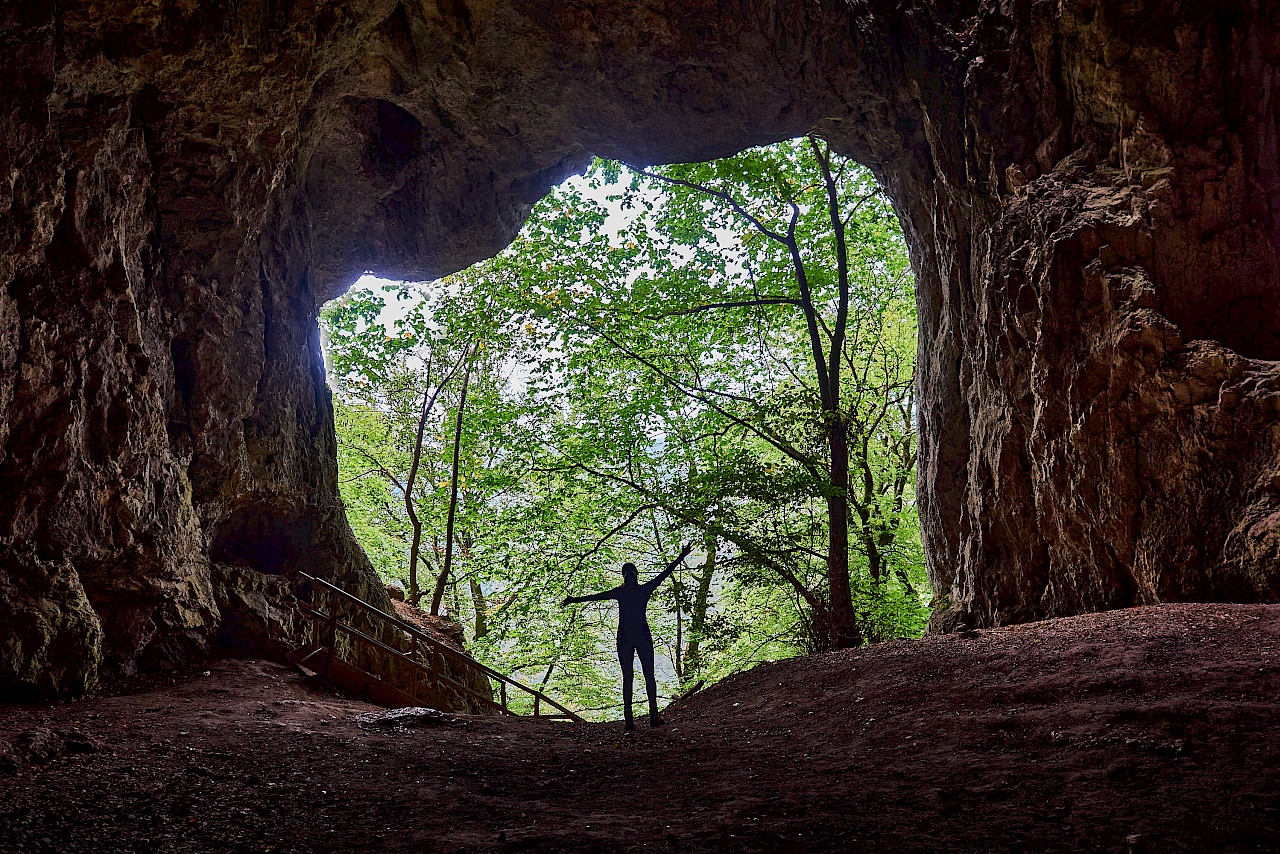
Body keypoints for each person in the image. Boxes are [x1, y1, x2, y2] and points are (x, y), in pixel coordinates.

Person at [562, 543, 694, 730]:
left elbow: (595, 597)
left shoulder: (621, 592)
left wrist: (574, 600)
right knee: (648, 676)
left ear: (624, 576)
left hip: (624, 638)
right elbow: (664, 574)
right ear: (636, 575)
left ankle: (629, 719)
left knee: (628, 677)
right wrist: (681, 556)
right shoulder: (643, 590)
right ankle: (653, 715)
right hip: (642, 636)